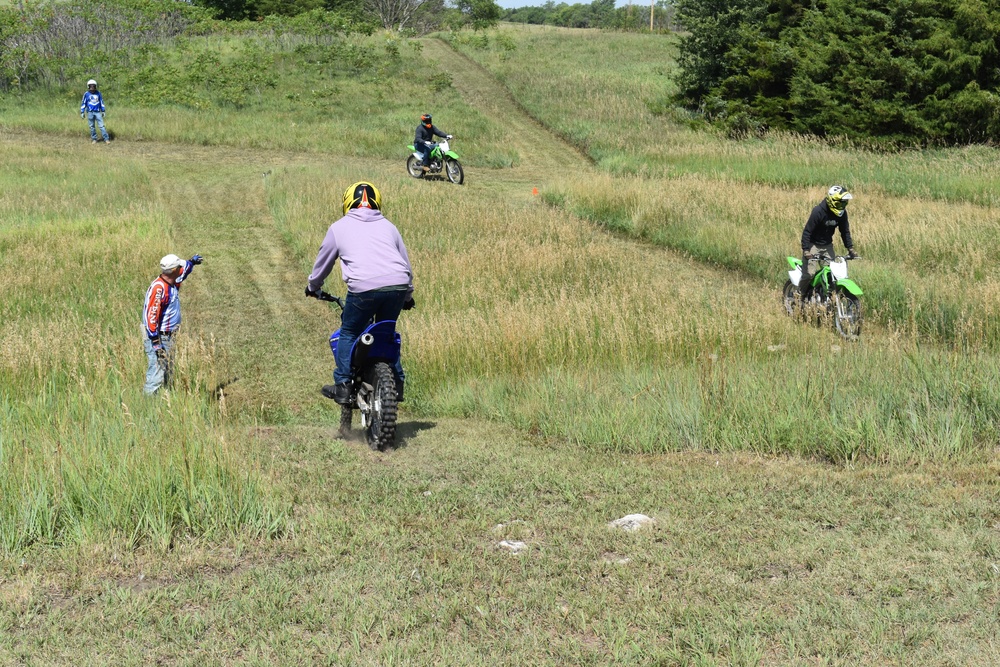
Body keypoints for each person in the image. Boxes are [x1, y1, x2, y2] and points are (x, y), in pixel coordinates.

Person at [306, 182, 414, 405]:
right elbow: (405, 264)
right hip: (398, 285)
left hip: (363, 289)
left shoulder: (339, 227)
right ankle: (397, 382)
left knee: (349, 331)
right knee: (386, 332)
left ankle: (343, 385)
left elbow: (323, 262)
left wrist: (313, 287)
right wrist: (407, 297)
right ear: (377, 202)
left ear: (347, 203)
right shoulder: (389, 226)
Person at [143, 253, 203, 395]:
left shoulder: (172, 280)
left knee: (167, 373)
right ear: (174, 270)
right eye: (179, 267)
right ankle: (149, 407)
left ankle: (164, 404)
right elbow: (151, 316)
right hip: (159, 337)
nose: (181, 269)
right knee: (156, 375)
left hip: (169, 337)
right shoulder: (159, 289)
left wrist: (192, 262)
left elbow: (185, 271)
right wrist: (156, 343)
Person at [800, 185, 858, 297]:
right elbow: (807, 231)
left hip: (827, 246)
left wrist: (850, 248)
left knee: (832, 276)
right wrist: (806, 250)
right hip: (813, 245)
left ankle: (825, 300)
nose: (842, 206)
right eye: (840, 203)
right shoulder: (818, 211)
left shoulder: (842, 214)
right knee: (809, 274)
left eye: (844, 203)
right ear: (832, 201)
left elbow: (845, 231)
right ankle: (800, 297)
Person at [80, 79, 110, 144]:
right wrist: (82, 112)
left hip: (97, 112)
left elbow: (101, 102)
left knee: (101, 126)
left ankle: (106, 139)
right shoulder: (86, 94)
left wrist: (103, 110)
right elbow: (83, 103)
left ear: (95, 86)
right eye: (91, 86)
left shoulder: (98, 93)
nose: (92, 88)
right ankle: (94, 139)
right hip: (90, 112)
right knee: (92, 127)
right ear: (88, 86)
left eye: (93, 86)